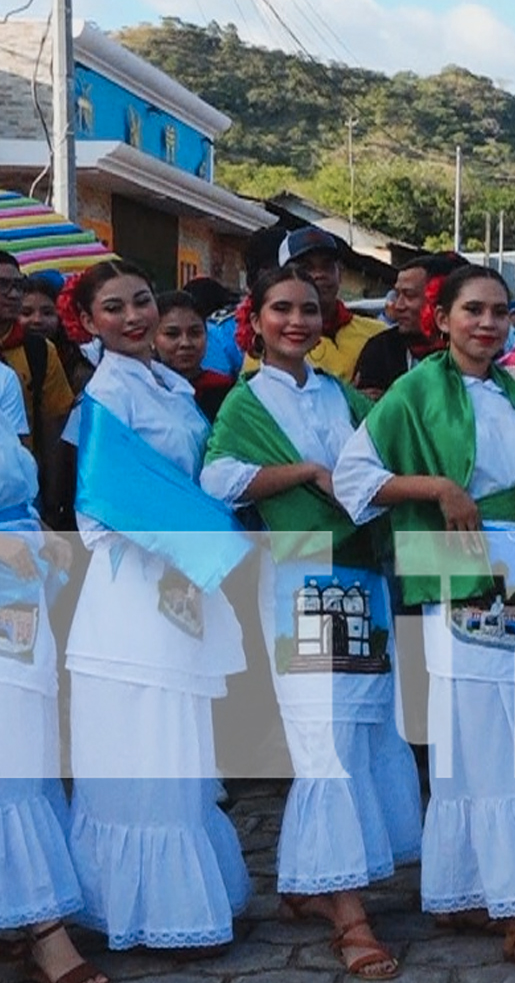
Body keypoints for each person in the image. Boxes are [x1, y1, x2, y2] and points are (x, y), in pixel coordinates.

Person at [335, 265, 515, 981]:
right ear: (443, 318)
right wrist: (436, 486)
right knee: (487, 738)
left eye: (498, 311)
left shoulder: (513, 386)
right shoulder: (417, 389)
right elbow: (353, 476)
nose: (487, 323)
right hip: (464, 573)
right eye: (472, 311)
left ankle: (470, 887)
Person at [202, 267, 422, 980]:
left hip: (362, 573)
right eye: (281, 310)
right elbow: (221, 479)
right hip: (305, 576)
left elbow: (380, 461)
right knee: (324, 732)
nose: (297, 321)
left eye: (308, 309)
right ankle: (347, 910)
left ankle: (316, 884)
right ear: (255, 319)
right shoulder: (245, 402)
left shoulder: (340, 394)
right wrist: (301, 472)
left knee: (360, 726)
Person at [58, 259, 252, 954]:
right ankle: (140, 904)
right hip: (136, 580)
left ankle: (174, 892)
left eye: (141, 300)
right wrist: (197, 537)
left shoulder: (166, 384)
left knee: (178, 735)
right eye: (114, 308)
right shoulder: (107, 396)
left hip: (175, 572)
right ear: (88, 322)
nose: (134, 316)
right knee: (141, 732)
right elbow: (104, 500)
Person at [0, 406, 100, 983]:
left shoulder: (5, 380)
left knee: (23, 741)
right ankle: (40, 930)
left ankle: (35, 923)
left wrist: (38, 532)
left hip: (17, 575)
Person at [244, 229, 386, 381]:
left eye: (327, 266)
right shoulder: (271, 343)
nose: (319, 274)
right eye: (306, 268)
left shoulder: (378, 334)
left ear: (340, 273)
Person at [0, 251, 74, 526]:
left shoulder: (39, 351)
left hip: (23, 489)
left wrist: (53, 502)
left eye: (17, 285)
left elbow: (54, 426)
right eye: (2, 285)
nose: (12, 294)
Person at [352, 253, 466, 399]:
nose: (398, 306)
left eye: (409, 296)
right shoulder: (381, 349)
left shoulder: (472, 352)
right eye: (397, 294)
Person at [154, 290, 236, 421]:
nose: (185, 343)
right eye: (172, 334)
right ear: (153, 339)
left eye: (195, 333)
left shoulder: (227, 393)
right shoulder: (144, 391)